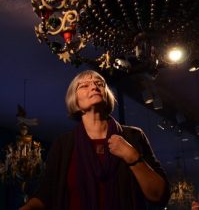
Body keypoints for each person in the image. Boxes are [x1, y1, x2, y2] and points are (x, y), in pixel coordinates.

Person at [20, 70, 170, 210]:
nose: (94, 86)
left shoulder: (134, 136)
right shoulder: (63, 144)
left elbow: (159, 196)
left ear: (106, 94)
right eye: (84, 85)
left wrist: (133, 157)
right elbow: (45, 195)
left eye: (99, 84)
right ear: (75, 100)